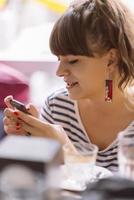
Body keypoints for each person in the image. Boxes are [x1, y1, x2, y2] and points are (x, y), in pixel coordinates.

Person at [3, 0, 134, 172]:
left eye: (73, 61)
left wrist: (67, 149)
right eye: (59, 59)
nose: (59, 71)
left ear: (111, 59)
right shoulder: (57, 107)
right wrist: (31, 142)